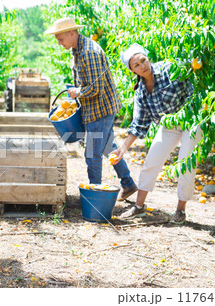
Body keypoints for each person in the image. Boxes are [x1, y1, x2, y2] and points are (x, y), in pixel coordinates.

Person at [45, 17, 137, 200]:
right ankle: (128, 183)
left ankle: (93, 197)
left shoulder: (88, 53)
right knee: (106, 147)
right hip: (94, 107)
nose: (58, 42)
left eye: (60, 38)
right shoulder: (76, 50)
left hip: (100, 109)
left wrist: (77, 92)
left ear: (72, 33)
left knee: (92, 153)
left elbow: (96, 87)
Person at [111, 43, 202, 224]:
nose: (142, 66)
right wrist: (121, 150)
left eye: (143, 60)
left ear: (147, 57)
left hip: (191, 120)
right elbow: (138, 125)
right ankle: (138, 207)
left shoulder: (170, 68)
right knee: (151, 161)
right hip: (169, 125)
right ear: (132, 70)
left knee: (186, 164)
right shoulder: (141, 92)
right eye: (136, 65)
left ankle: (180, 210)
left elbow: (193, 64)